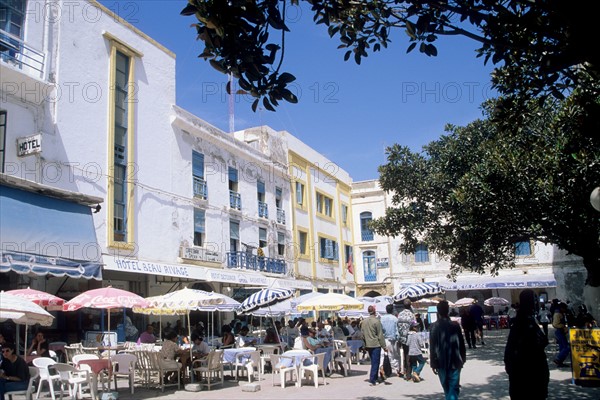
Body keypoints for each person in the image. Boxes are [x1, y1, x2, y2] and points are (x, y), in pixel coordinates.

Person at [504, 289, 549, 400]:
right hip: (527, 371)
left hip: (529, 371)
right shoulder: (523, 322)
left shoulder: (528, 320)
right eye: (533, 300)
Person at [430, 300, 467, 400]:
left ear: (438, 312)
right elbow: (461, 344)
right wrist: (463, 358)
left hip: (440, 361)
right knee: (453, 387)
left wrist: (433, 363)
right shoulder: (455, 325)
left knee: (447, 387)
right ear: (448, 311)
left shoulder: (434, 326)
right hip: (455, 360)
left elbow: (432, 346)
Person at [361, 305, 387, 386]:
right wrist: (384, 346)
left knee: (373, 361)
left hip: (368, 344)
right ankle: (373, 379)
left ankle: (375, 377)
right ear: (375, 311)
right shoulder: (376, 321)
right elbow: (380, 335)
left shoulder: (364, 322)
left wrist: (364, 345)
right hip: (375, 344)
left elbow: (362, 335)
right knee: (376, 362)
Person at [379, 304, 401, 379]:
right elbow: (397, 330)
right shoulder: (395, 319)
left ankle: (382, 367)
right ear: (392, 310)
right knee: (394, 355)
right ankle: (396, 370)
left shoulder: (382, 318)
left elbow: (380, 330)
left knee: (383, 355)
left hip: (384, 339)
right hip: (392, 339)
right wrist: (398, 339)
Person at [397, 298, 415, 380]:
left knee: (404, 354)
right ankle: (408, 373)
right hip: (409, 337)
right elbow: (414, 325)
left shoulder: (400, 314)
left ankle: (404, 371)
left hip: (401, 338)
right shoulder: (411, 314)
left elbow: (398, 325)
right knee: (409, 355)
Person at [552, 302, 570, 367]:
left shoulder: (560, 313)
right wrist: (563, 326)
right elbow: (555, 324)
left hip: (561, 331)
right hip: (559, 331)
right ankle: (558, 359)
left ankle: (560, 362)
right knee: (566, 347)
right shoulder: (557, 314)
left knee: (562, 347)